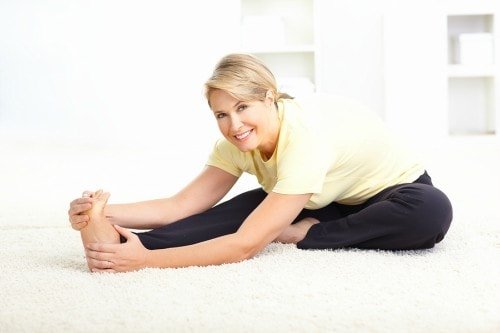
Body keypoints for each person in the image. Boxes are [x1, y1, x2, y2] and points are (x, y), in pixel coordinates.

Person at [68, 53, 453, 273]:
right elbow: (180, 207)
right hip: (315, 198)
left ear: (269, 97)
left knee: (431, 212)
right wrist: (102, 213)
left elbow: (244, 247)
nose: (234, 125)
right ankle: (124, 248)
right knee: (217, 219)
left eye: (242, 107)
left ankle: (303, 234)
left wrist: (148, 266)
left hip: (390, 196)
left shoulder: (305, 138)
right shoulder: (237, 140)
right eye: (221, 114)